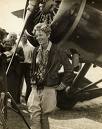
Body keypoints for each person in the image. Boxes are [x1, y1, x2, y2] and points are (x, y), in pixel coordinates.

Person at [27, 22, 74, 129]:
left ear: (48, 35)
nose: (38, 38)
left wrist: (63, 84)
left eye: (41, 35)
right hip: (35, 87)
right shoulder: (35, 50)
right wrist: (32, 79)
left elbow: (69, 69)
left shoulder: (58, 50)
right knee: (34, 117)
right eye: (37, 35)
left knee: (44, 117)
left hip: (49, 88)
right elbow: (33, 68)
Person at [4, 32, 24, 106]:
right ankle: (4, 104)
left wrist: (16, 55)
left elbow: (23, 58)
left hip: (15, 72)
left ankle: (14, 104)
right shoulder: (4, 46)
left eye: (14, 37)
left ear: (16, 38)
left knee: (14, 89)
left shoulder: (19, 48)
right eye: (11, 36)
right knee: (5, 88)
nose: (13, 38)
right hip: (5, 71)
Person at [20, 32, 34, 103]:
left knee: (29, 83)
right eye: (22, 36)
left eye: (25, 36)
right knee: (19, 83)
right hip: (19, 66)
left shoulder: (31, 47)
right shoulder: (18, 46)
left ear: (27, 37)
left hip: (28, 65)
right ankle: (17, 99)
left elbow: (33, 58)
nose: (23, 37)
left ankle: (27, 98)